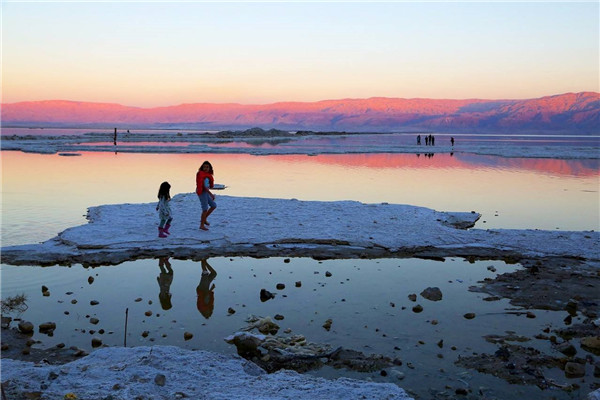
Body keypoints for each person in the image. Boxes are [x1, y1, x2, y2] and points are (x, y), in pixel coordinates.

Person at [196, 161, 217, 231]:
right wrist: (211, 194)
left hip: (205, 191)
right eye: (204, 167)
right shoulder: (201, 175)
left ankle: (204, 219)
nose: (205, 168)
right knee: (205, 209)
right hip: (202, 191)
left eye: (207, 167)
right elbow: (203, 187)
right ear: (202, 167)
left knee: (213, 205)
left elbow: (208, 186)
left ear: (210, 168)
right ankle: (201, 225)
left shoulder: (208, 175)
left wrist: (209, 192)